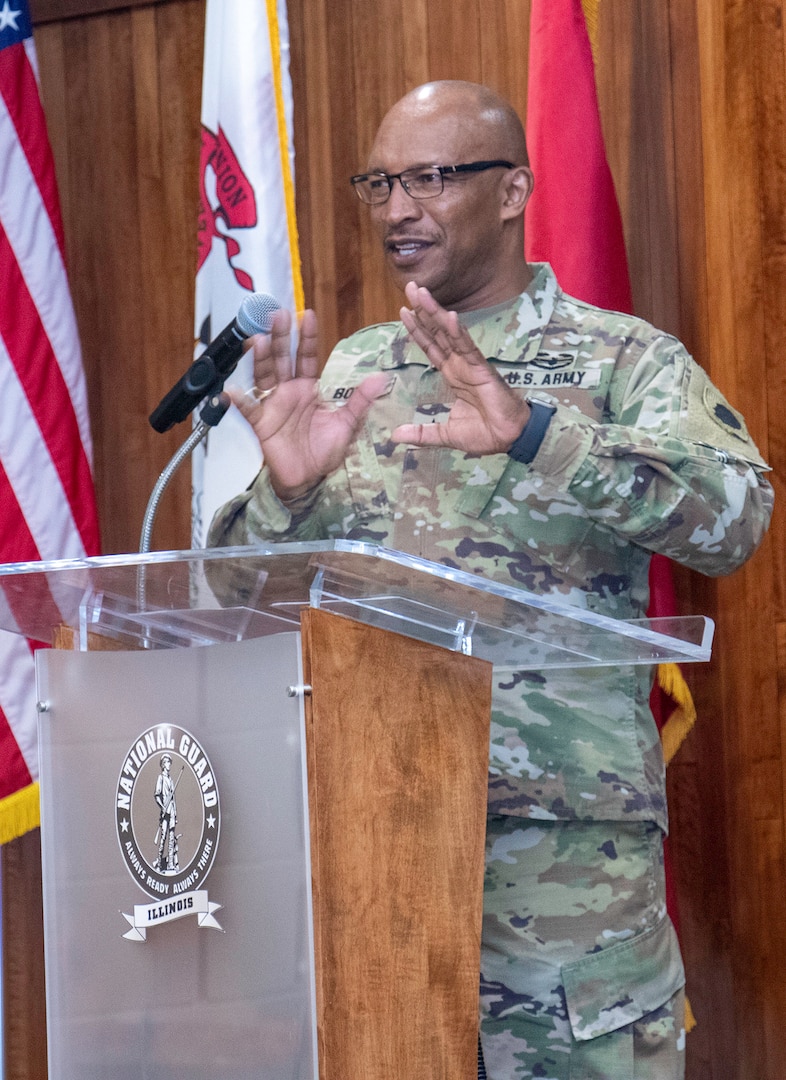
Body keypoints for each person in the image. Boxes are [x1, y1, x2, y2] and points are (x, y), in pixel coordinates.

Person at [208, 81, 773, 1078]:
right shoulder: (354, 373)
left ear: (512, 191)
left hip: (565, 886)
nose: (394, 210)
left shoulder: (620, 359)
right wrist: (287, 498)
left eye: (428, 178)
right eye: (379, 182)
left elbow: (735, 520)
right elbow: (236, 600)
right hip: (376, 860)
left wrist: (539, 437)